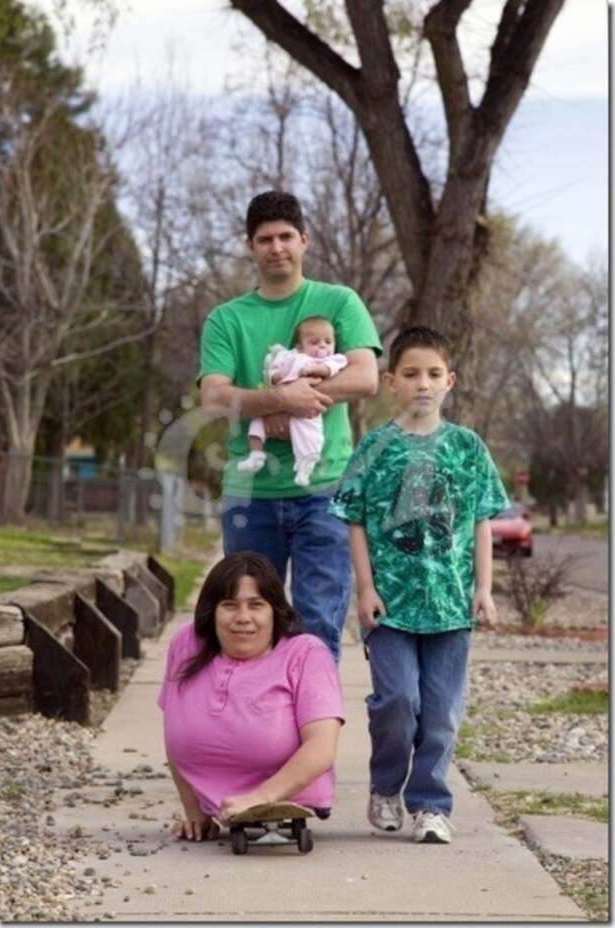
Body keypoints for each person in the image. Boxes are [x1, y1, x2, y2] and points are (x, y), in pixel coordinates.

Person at [329, 325, 509, 844]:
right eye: (411, 374)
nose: (423, 384)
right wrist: (365, 589)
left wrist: (484, 587)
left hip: (451, 606)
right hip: (392, 607)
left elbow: (480, 521)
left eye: (433, 374)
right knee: (397, 703)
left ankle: (430, 804)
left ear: (449, 381)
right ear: (391, 382)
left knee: (442, 714)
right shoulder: (375, 448)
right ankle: (385, 786)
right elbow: (355, 519)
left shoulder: (467, 448)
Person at [199, 190, 381, 660]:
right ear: (250, 246)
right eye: (265, 239)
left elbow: (365, 377)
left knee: (318, 623)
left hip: (324, 492)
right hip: (251, 495)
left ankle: (315, 731)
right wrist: (278, 398)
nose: (276, 247)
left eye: (285, 236)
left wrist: (297, 403)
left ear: (304, 240)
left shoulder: (339, 302)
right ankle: (258, 729)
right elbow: (214, 396)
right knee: (248, 626)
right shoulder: (226, 319)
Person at [158, 552, 344, 841]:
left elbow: (321, 747)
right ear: (212, 611)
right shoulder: (187, 643)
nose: (243, 618)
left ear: (274, 610)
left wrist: (260, 798)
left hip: (287, 799)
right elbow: (174, 730)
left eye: (256, 605)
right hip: (218, 808)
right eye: (229, 605)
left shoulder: (306, 653)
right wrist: (194, 812)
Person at [238, 315, 348, 487]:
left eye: (328, 341)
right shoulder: (288, 356)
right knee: (257, 421)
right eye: (314, 342)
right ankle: (256, 454)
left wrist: (317, 368)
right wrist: (276, 376)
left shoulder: (330, 359)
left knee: (309, 435)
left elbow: (332, 368)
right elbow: (272, 372)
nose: (322, 346)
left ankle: (305, 468)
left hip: (304, 408)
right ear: (300, 346)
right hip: (277, 405)